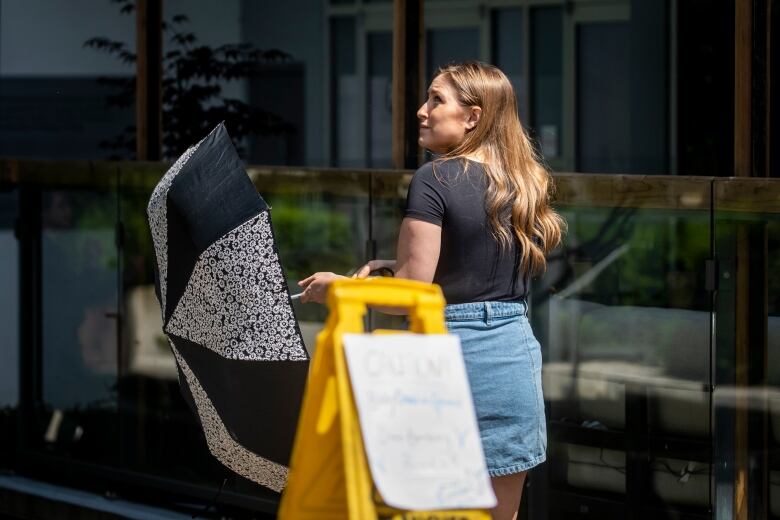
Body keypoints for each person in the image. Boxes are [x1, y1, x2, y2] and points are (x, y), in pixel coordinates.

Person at [298, 60, 564, 520]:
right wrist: (394, 268)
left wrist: (337, 287)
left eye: (436, 100)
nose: (421, 110)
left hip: (446, 361)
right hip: (512, 355)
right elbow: (473, 268)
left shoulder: (435, 179)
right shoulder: (522, 183)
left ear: (473, 116)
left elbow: (412, 294)